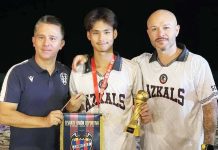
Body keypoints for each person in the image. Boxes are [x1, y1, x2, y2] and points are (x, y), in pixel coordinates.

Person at [72, 9, 218, 150]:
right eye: (154, 29)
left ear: (177, 30)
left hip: (188, 146)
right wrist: (85, 58)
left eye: (166, 27)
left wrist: (208, 146)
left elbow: (210, 108)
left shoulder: (197, 63)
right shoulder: (140, 63)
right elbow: (108, 60)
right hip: (148, 146)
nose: (160, 33)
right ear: (148, 33)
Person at [68, 7, 152, 150]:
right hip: (87, 145)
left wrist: (144, 115)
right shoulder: (78, 70)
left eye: (106, 32)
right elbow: (73, 113)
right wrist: (70, 108)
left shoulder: (131, 68)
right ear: (88, 35)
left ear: (115, 33)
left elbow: (140, 108)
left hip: (124, 146)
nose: (102, 39)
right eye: (96, 33)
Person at [0, 15, 74, 150]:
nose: (46, 43)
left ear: (61, 44)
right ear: (33, 41)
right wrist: (44, 121)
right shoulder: (17, 72)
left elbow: (68, 110)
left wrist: (72, 106)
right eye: (41, 37)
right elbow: (3, 115)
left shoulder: (67, 73)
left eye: (52, 38)